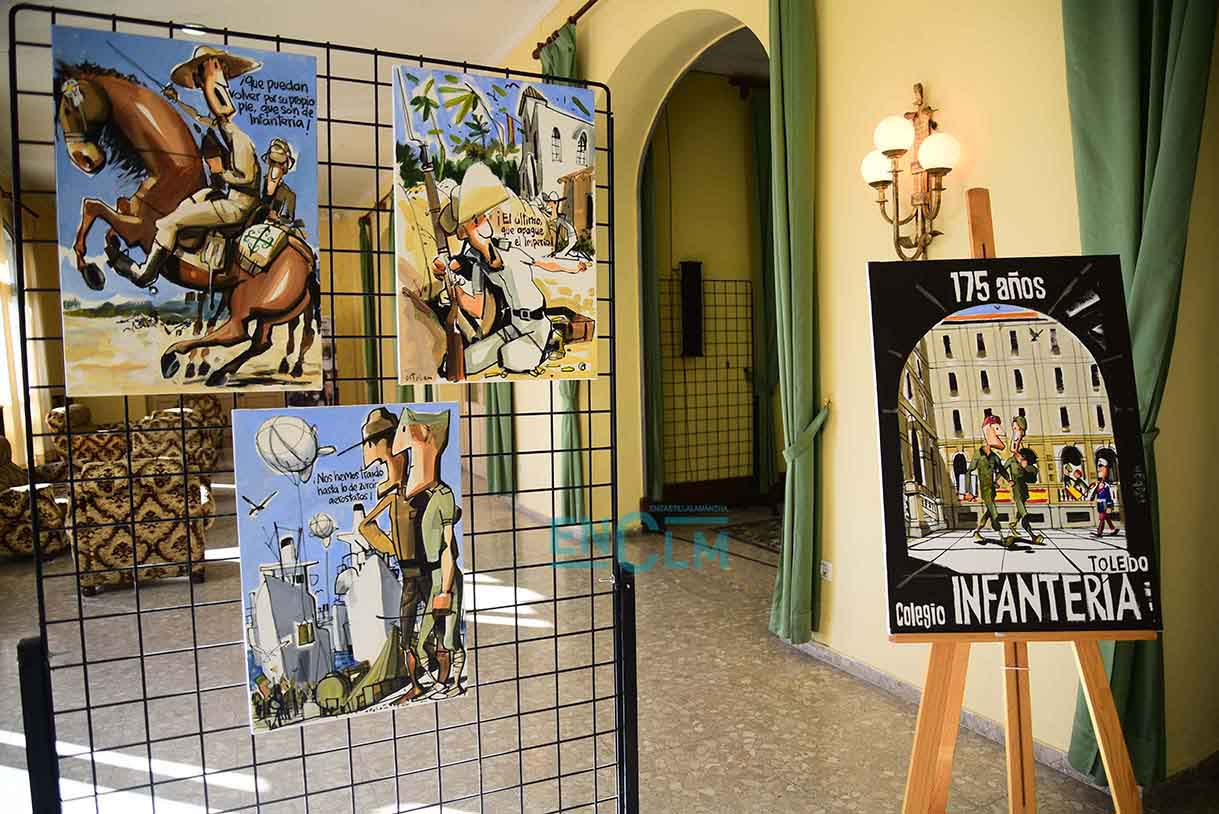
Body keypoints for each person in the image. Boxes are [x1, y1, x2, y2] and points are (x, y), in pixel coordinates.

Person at [126, 46, 263, 287]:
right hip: (229, 198)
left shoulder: (239, 139)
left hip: (237, 206)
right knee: (188, 202)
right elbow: (201, 118)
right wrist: (177, 100)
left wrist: (221, 172)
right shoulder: (225, 130)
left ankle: (146, 273)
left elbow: (247, 178)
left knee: (168, 222)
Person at [432, 162, 554, 377]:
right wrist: (447, 273)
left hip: (535, 326)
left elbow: (495, 260)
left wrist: (456, 285)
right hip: (514, 326)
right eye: (475, 219)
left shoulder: (501, 249)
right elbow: (476, 305)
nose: (484, 220)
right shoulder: (475, 259)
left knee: (509, 357)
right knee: (465, 363)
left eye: (480, 216)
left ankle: (547, 345)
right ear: (462, 232)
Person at [347, 407, 432, 702]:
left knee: (436, 624)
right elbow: (365, 526)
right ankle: (417, 684)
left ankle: (435, 675)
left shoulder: (414, 490)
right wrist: (393, 548)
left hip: (424, 569)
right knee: (407, 635)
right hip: (409, 573)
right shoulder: (392, 494)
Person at [386, 407, 464, 700]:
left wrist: (445, 589)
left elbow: (448, 547)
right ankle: (439, 684)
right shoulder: (419, 492)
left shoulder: (443, 496)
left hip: (441, 576)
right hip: (427, 574)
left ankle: (452, 684)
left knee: (448, 636)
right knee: (422, 644)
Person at [964, 414, 1009, 542]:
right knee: (994, 512)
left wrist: (1009, 480)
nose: (1001, 434)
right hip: (984, 490)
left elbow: (1001, 470)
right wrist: (968, 491)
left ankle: (977, 531)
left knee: (989, 511)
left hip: (992, 490)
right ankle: (1002, 538)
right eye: (996, 429)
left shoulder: (994, 457)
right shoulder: (978, 455)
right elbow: (969, 472)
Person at [1006, 447, 1045, 545]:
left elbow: (1032, 479)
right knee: (1025, 515)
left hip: (1023, 490)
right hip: (1017, 491)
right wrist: (1008, 480)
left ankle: (1013, 525)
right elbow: (1003, 471)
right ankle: (1033, 536)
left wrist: (1025, 469)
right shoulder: (1012, 463)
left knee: (1020, 513)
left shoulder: (1028, 467)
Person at [261, 137, 298, 225]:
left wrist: (277, 218)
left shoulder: (289, 195)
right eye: (273, 162)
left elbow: (289, 219)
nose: (276, 167)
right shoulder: (259, 183)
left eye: (280, 163)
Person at [1093, 458, 1118, 537]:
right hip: (1100, 504)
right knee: (1106, 517)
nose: (1099, 469)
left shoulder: (1107, 486)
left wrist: (1109, 506)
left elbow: (1109, 495)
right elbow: (1095, 493)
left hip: (1105, 503)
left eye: (1101, 467)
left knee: (1102, 518)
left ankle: (1099, 532)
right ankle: (1113, 528)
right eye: (1099, 467)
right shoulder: (1098, 485)